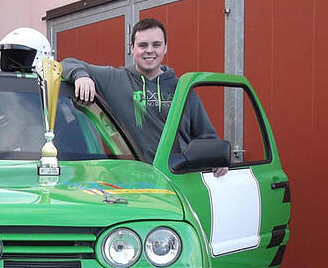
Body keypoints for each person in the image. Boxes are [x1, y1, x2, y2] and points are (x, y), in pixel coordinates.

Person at [61, 18, 228, 176]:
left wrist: (216, 159)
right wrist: (81, 76)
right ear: (132, 48)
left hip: (177, 179)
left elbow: (206, 136)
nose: (150, 50)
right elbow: (66, 63)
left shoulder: (182, 89)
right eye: (143, 45)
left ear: (165, 48)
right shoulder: (114, 80)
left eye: (156, 45)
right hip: (134, 180)